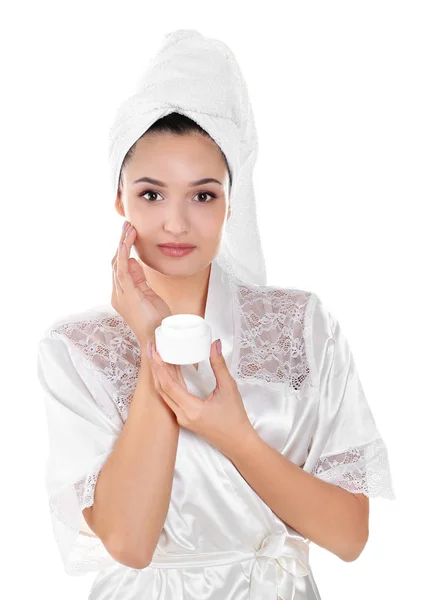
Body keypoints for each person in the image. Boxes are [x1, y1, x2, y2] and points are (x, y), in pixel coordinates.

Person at [36, 29, 395, 600]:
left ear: (233, 202)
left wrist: (236, 437)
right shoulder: (78, 347)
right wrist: (154, 339)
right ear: (119, 200)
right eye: (152, 194)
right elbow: (128, 542)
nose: (176, 223)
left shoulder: (302, 325)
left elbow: (350, 536)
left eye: (203, 195)